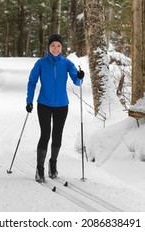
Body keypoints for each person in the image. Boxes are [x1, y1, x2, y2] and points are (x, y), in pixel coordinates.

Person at [26, 34, 85, 183]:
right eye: (53, 45)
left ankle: (53, 163)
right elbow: (32, 81)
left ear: (62, 47)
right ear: (48, 47)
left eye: (58, 46)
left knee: (57, 135)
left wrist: (80, 76)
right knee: (45, 134)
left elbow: (77, 82)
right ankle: (40, 168)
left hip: (61, 105)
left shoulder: (66, 63)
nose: (55, 49)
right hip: (44, 104)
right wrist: (29, 101)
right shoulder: (41, 63)